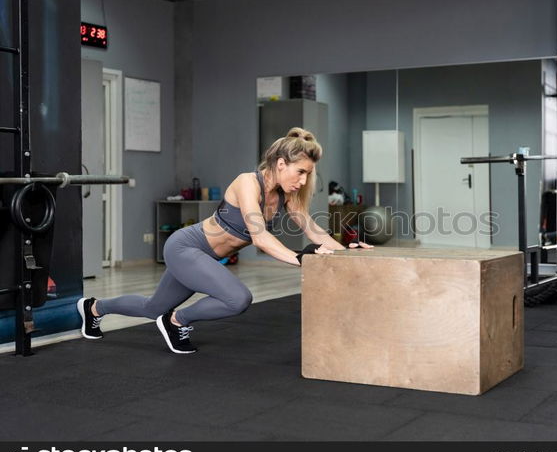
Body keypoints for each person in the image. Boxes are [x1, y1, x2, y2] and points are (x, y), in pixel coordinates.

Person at [76, 127, 373, 354]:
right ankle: (177, 320)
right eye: (301, 172)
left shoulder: (286, 195)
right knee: (238, 298)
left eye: (308, 175)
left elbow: (313, 231)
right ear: (281, 163)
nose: (304, 181)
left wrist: (348, 251)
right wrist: (300, 259)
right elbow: (259, 236)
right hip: (186, 248)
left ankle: (93, 308)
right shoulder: (248, 183)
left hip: (203, 258)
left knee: (153, 308)